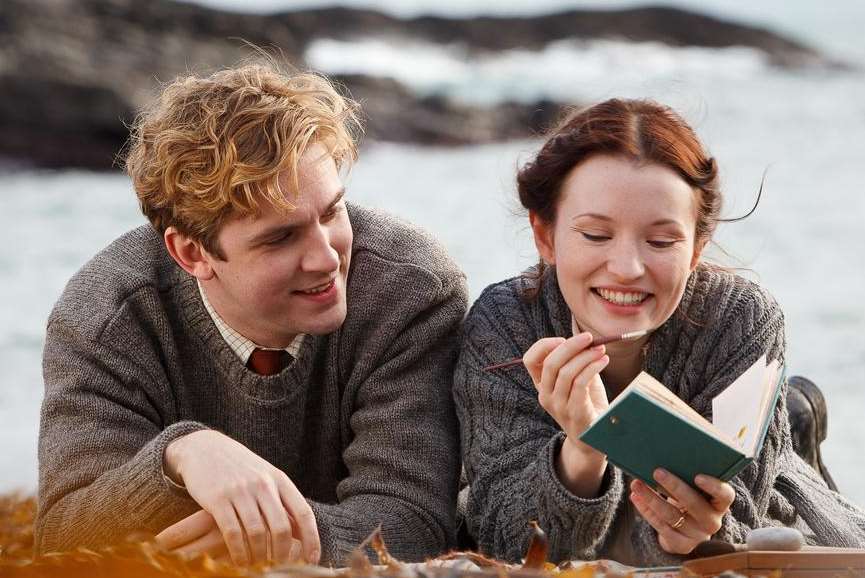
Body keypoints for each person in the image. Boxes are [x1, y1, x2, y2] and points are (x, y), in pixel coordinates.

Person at [36, 62, 468, 566]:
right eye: (281, 237)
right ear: (192, 254)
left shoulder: (411, 291)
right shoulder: (106, 316)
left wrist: (255, 538)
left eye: (331, 212)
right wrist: (181, 455)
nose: (327, 257)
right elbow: (62, 538)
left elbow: (414, 524)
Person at [453, 98, 865, 566]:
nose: (627, 269)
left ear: (696, 249)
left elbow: (744, 520)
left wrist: (696, 531)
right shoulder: (504, 322)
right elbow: (503, 543)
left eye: (661, 241)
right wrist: (582, 451)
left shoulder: (742, 318)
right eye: (595, 235)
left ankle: (794, 423)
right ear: (545, 236)